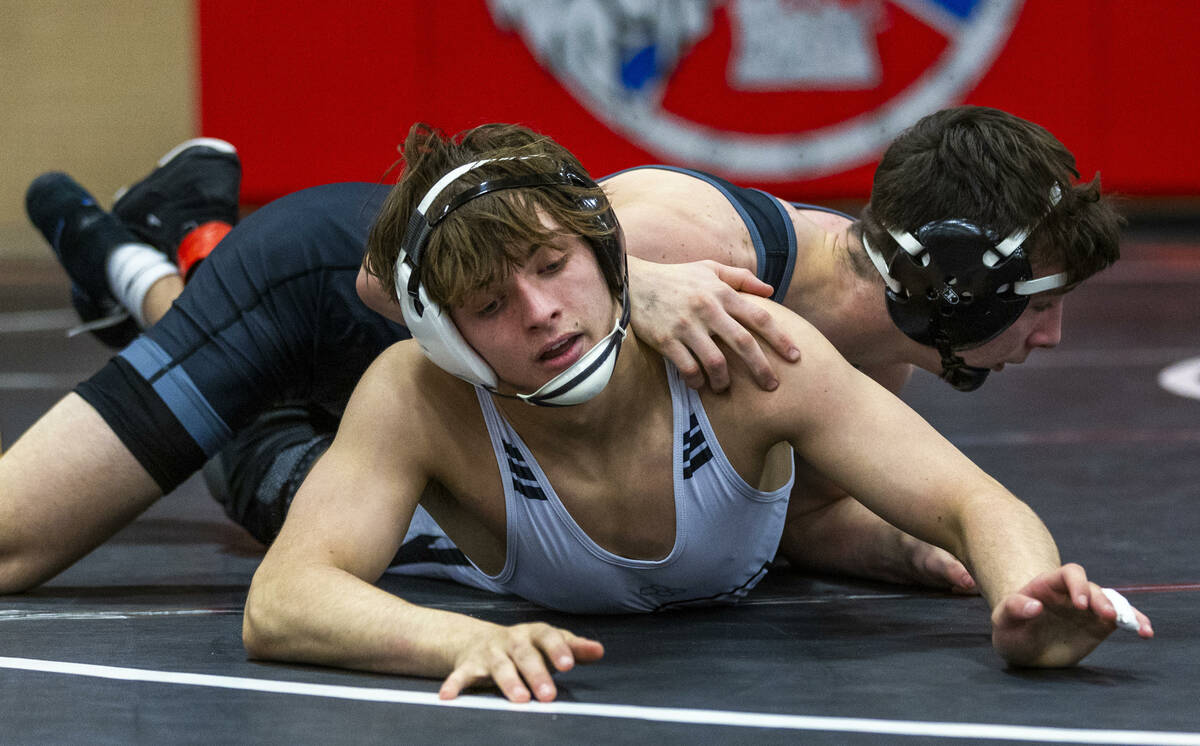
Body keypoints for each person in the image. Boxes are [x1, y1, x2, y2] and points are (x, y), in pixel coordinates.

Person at [0, 107, 1119, 598]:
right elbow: (380, 281)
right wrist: (632, 289)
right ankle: (187, 257)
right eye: (1040, 301)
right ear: (962, 275)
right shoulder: (689, 241)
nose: (1052, 334)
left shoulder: (866, 363)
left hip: (441, 393)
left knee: (298, 483)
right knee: (15, 540)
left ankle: (167, 247)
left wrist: (913, 547)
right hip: (331, 298)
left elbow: (798, 521)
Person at [240, 123, 1150, 703]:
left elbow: (972, 500)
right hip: (374, 505)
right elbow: (283, 600)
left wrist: (1025, 598)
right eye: (489, 305)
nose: (542, 312)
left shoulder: (748, 355)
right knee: (266, 449)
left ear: (607, 255)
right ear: (448, 336)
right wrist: (466, 640)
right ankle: (177, 276)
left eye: (554, 267)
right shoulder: (414, 394)